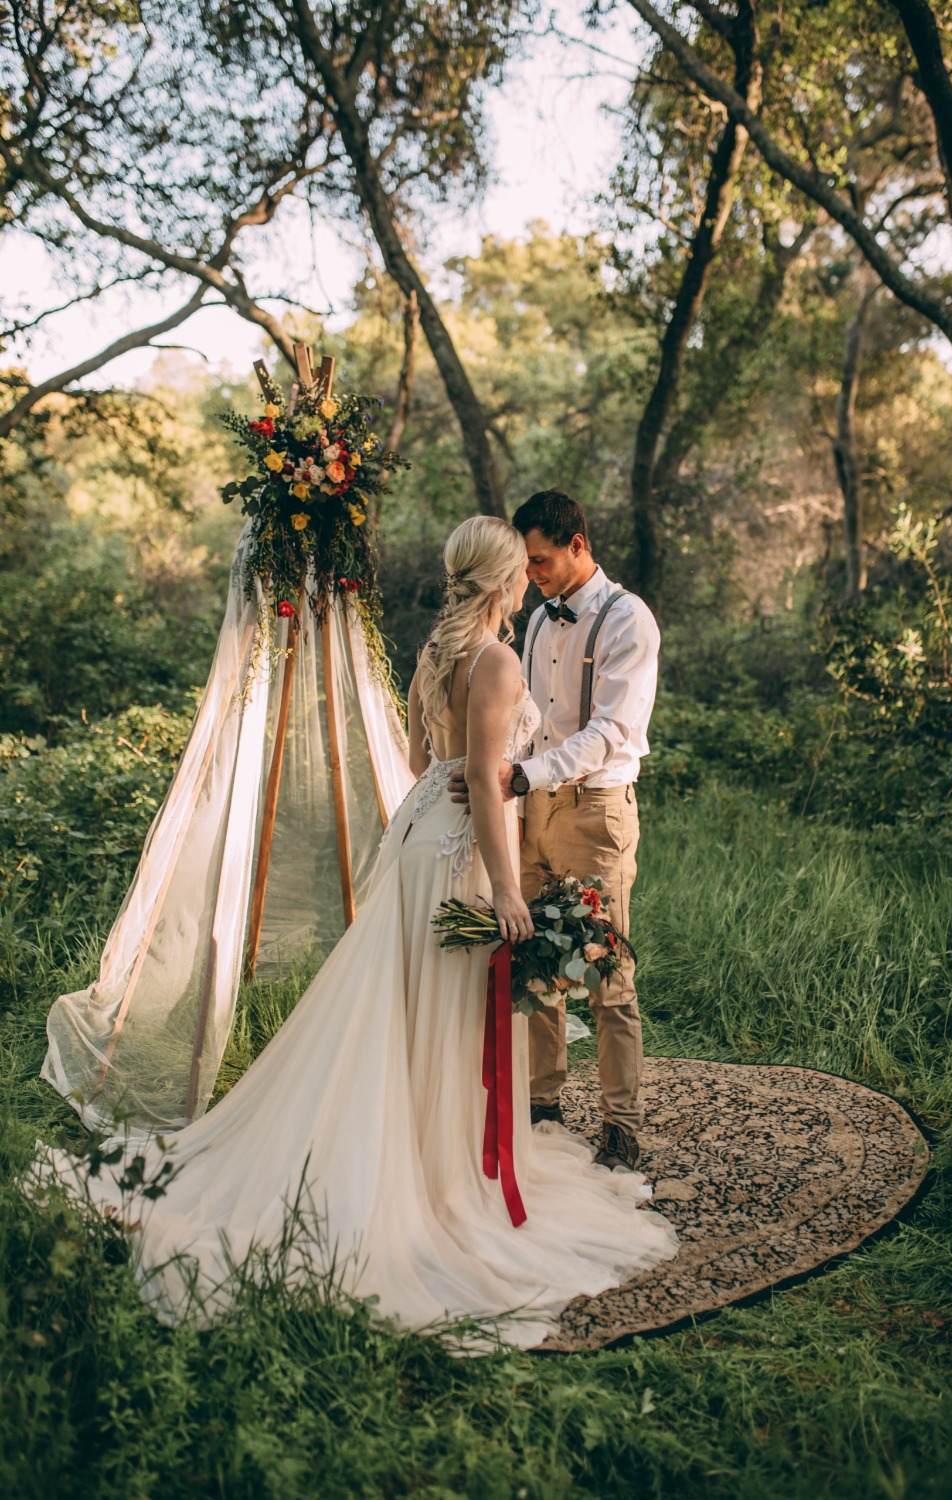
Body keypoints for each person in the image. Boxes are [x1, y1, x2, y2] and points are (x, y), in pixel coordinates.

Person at [48, 516, 677, 1351]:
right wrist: (500, 886)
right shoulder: (494, 659)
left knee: (404, 1000)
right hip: (460, 849)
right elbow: (487, 787)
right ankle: (426, 1179)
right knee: (440, 1008)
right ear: (501, 583)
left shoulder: (433, 654)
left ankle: (419, 1147)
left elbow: (425, 767)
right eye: (519, 570)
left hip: (420, 831)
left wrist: (461, 796)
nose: (528, 579)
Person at [452, 490, 660, 1172]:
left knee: (608, 972)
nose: (531, 573)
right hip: (532, 807)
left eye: (540, 560)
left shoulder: (629, 619)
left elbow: (612, 731)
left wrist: (522, 774)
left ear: (578, 543)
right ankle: (542, 1108)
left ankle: (620, 1125)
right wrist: (493, 771)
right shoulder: (538, 621)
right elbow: (529, 719)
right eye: (526, 563)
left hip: (596, 812)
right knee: (533, 960)